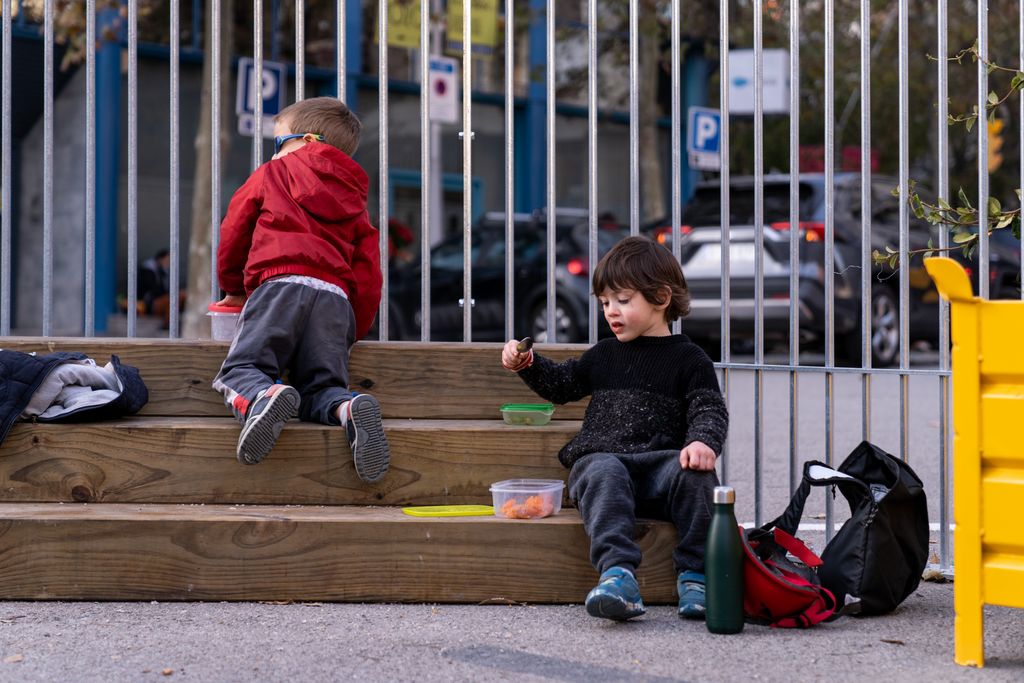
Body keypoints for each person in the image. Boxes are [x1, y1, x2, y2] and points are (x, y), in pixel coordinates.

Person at [501, 235, 729, 621]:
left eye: (623, 301)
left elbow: (709, 408)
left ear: (660, 297)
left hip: (661, 467)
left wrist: (701, 442)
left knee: (696, 476)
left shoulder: (690, 359)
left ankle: (696, 575)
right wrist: (527, 363)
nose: (611, 311)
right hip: (605, 463)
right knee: (601, 468)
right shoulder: (604, 354)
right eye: (605, 302)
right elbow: (561, 385)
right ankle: (617, 575)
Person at [211, 96, 390, 483]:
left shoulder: (271, 175)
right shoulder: (355, 198)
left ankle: (262, 395)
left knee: (241, 370)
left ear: (306, 140)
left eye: (278, 143)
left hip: (279, 286)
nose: (274, 153)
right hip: (335, 302)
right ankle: (347, 407)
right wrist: (351, 327)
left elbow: (234, 230)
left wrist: (233, 286)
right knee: (322, 388)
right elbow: (368, 269)